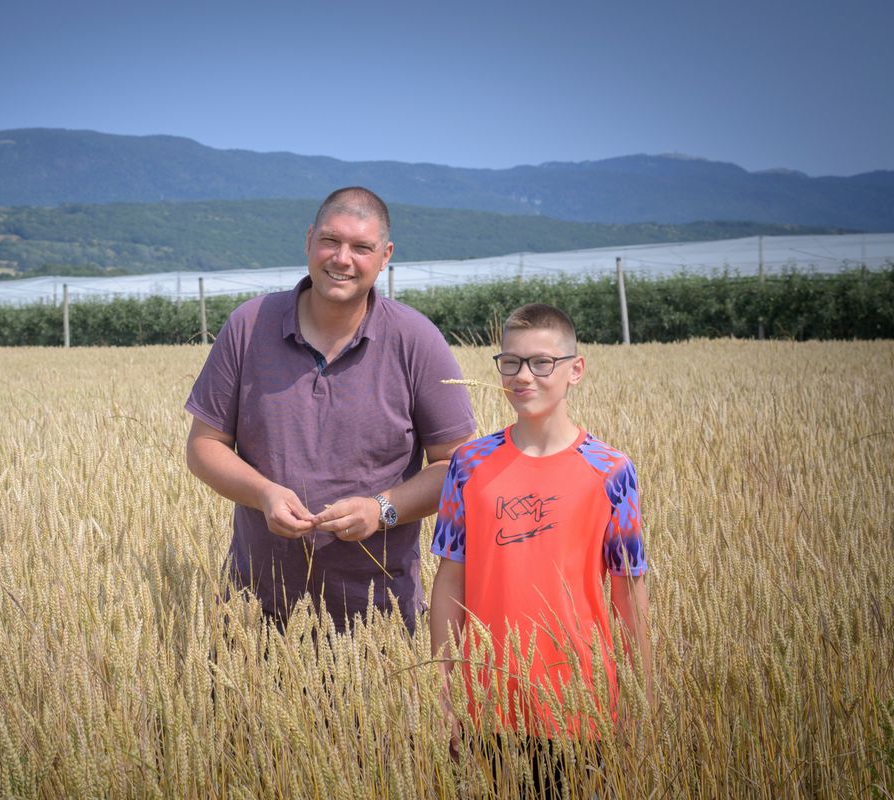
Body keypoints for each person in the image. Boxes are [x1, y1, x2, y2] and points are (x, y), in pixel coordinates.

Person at [185, 187, 475, 633]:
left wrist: (383, 509)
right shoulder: (249, 325)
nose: (342, 259)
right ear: (308, 241)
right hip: (254, 610)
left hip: (380, 619)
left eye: (362, 247)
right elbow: (204, 446)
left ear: (385, 255)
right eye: (330, 241)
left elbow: (457, 464)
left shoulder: (416, 340)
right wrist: (265, 495)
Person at [428, 303, 652, 795]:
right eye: (511, 362)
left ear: (576, 369)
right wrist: (443, 687)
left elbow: (629, 592)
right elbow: (449, 580)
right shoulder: (469, 464)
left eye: (541, 362)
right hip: (486, 703)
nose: (523, 375)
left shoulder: (613, 470)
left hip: (580, 703)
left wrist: (644, 696)